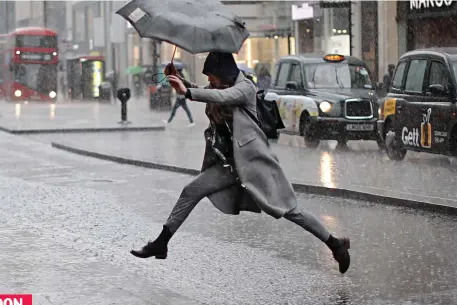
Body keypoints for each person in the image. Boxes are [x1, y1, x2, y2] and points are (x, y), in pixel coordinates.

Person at [131, 52, 351, 274]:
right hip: (229, 165)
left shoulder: (244, 88)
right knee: (191, 191)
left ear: (224, 73)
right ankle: (161, 243)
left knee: (290, 210)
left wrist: (187, 92)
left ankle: (335, 243)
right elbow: (210, 93)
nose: (210, 82)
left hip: (255, 165)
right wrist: (180, 79)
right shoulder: (222, 87)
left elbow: (223, 97)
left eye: (212, 77)